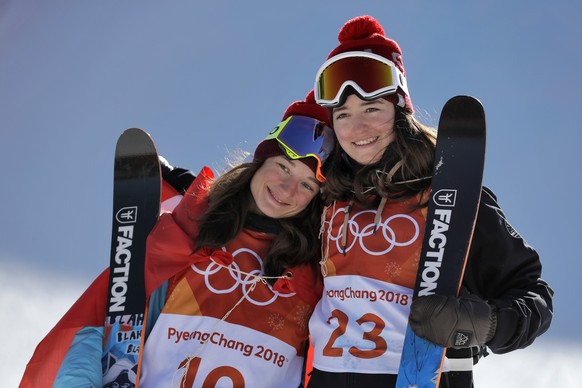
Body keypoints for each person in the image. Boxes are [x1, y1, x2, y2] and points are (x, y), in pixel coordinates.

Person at [20, 92, 334, 388]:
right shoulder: (182, 237)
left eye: (307, 185)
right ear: (259, 163)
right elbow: (95, 326)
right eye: (283, 167)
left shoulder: (316, 276)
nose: (288, 189)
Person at [306, 15, 554, 387]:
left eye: (372, 109)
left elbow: (534, 295)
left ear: (400, 110)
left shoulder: (450, 195)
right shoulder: (325, 200)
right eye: (343, 115)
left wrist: (485, 324)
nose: (357, 128)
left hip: (416, 377)